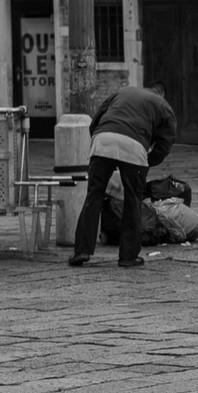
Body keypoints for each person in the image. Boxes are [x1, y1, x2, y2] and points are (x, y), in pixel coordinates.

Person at [69, 82, 176, 269]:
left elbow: (95, 122)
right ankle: (128, 257)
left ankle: (81, 251)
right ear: (162, 94)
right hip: (134, 147)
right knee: (133, 199)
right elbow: (165, 143)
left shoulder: (122, 91)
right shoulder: (163, 106)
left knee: (94, 196)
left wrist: (99, 144)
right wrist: (148, 160)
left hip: (102, 141)